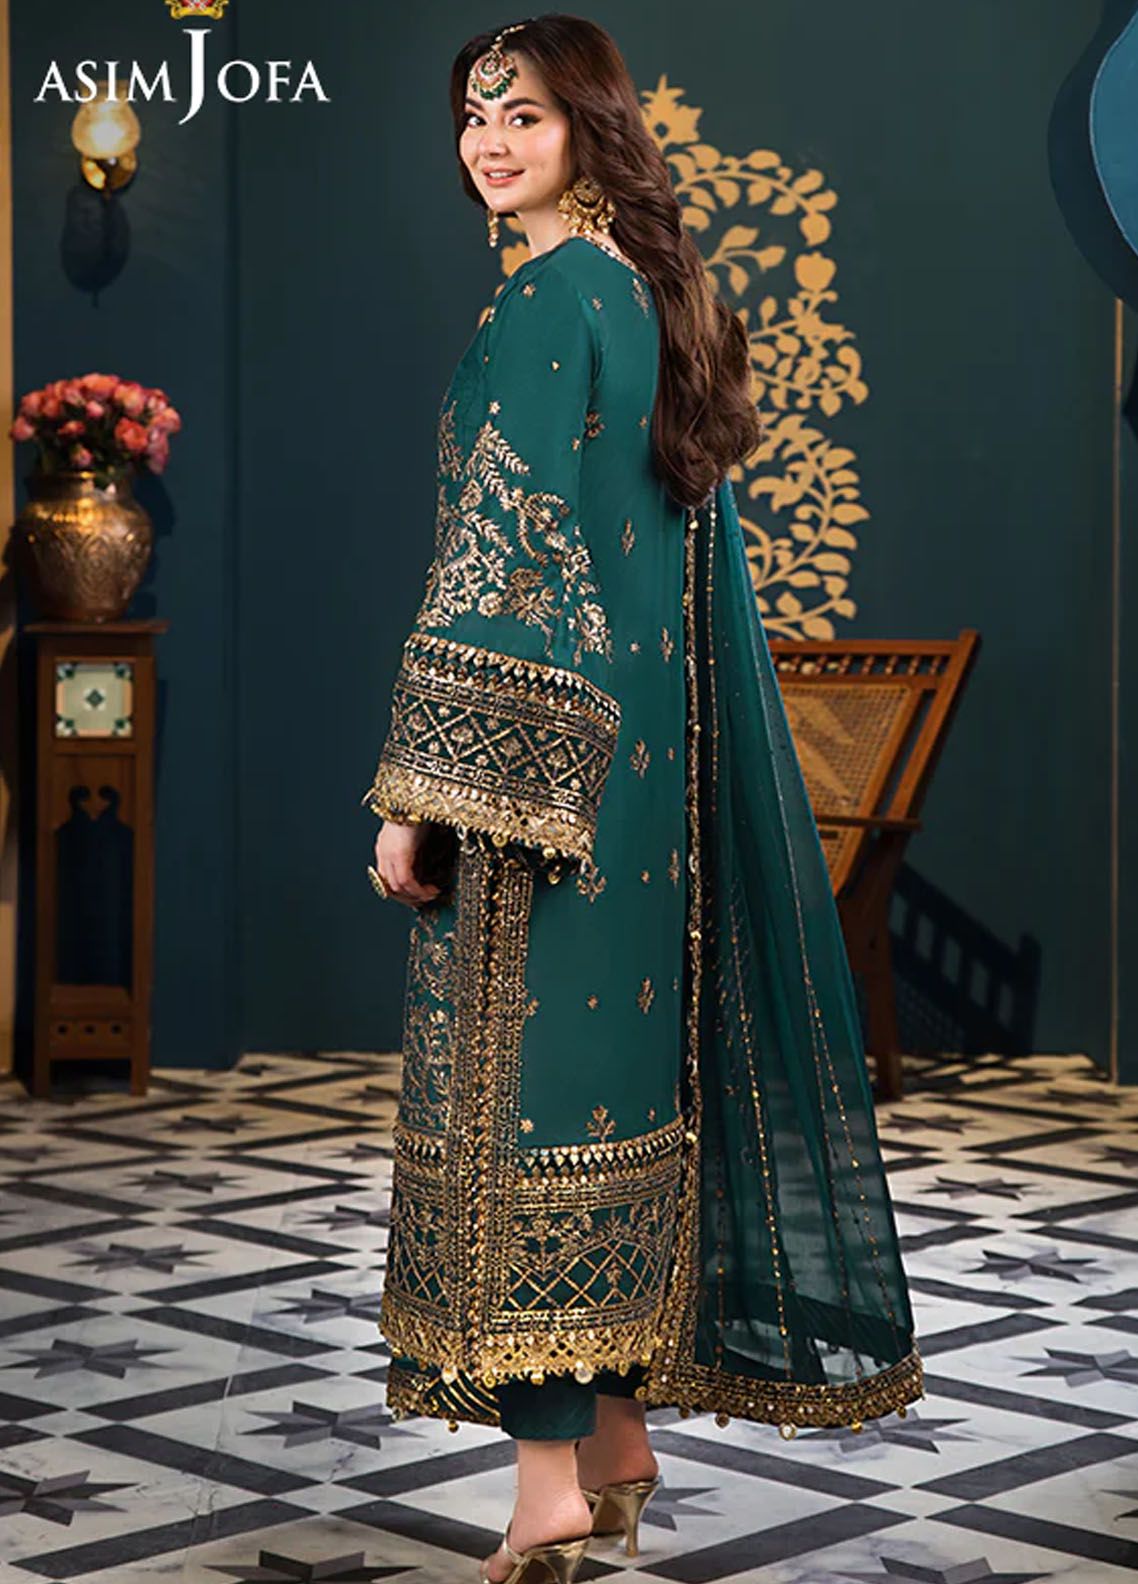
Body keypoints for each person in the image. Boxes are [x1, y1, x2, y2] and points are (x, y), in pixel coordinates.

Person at [361, 17, 923, 1584]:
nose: (488, 143)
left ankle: (544, 1486)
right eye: (472, 116)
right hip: (637, 802)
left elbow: (505, 557)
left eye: (523, 116)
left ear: (588, 130)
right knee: (613, 1105)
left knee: (522, 1115)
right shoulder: (648, 297)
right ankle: (613, 1443)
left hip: (528, 795)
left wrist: (418, 792)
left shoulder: (553, 299)